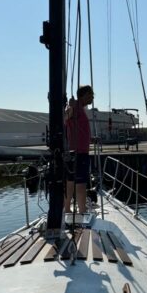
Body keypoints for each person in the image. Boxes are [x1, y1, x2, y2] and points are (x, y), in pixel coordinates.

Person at [64, 85, 94, 215]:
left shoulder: (79, 109)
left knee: (70, 181)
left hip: (76, 151)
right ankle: (82, 211)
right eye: (91, 94)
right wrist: (70, 107)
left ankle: (67, 209)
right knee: (81, 183)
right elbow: (65, 119)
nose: (92, 97)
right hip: (79, 153)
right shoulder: (75, 108)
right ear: (84, 95)